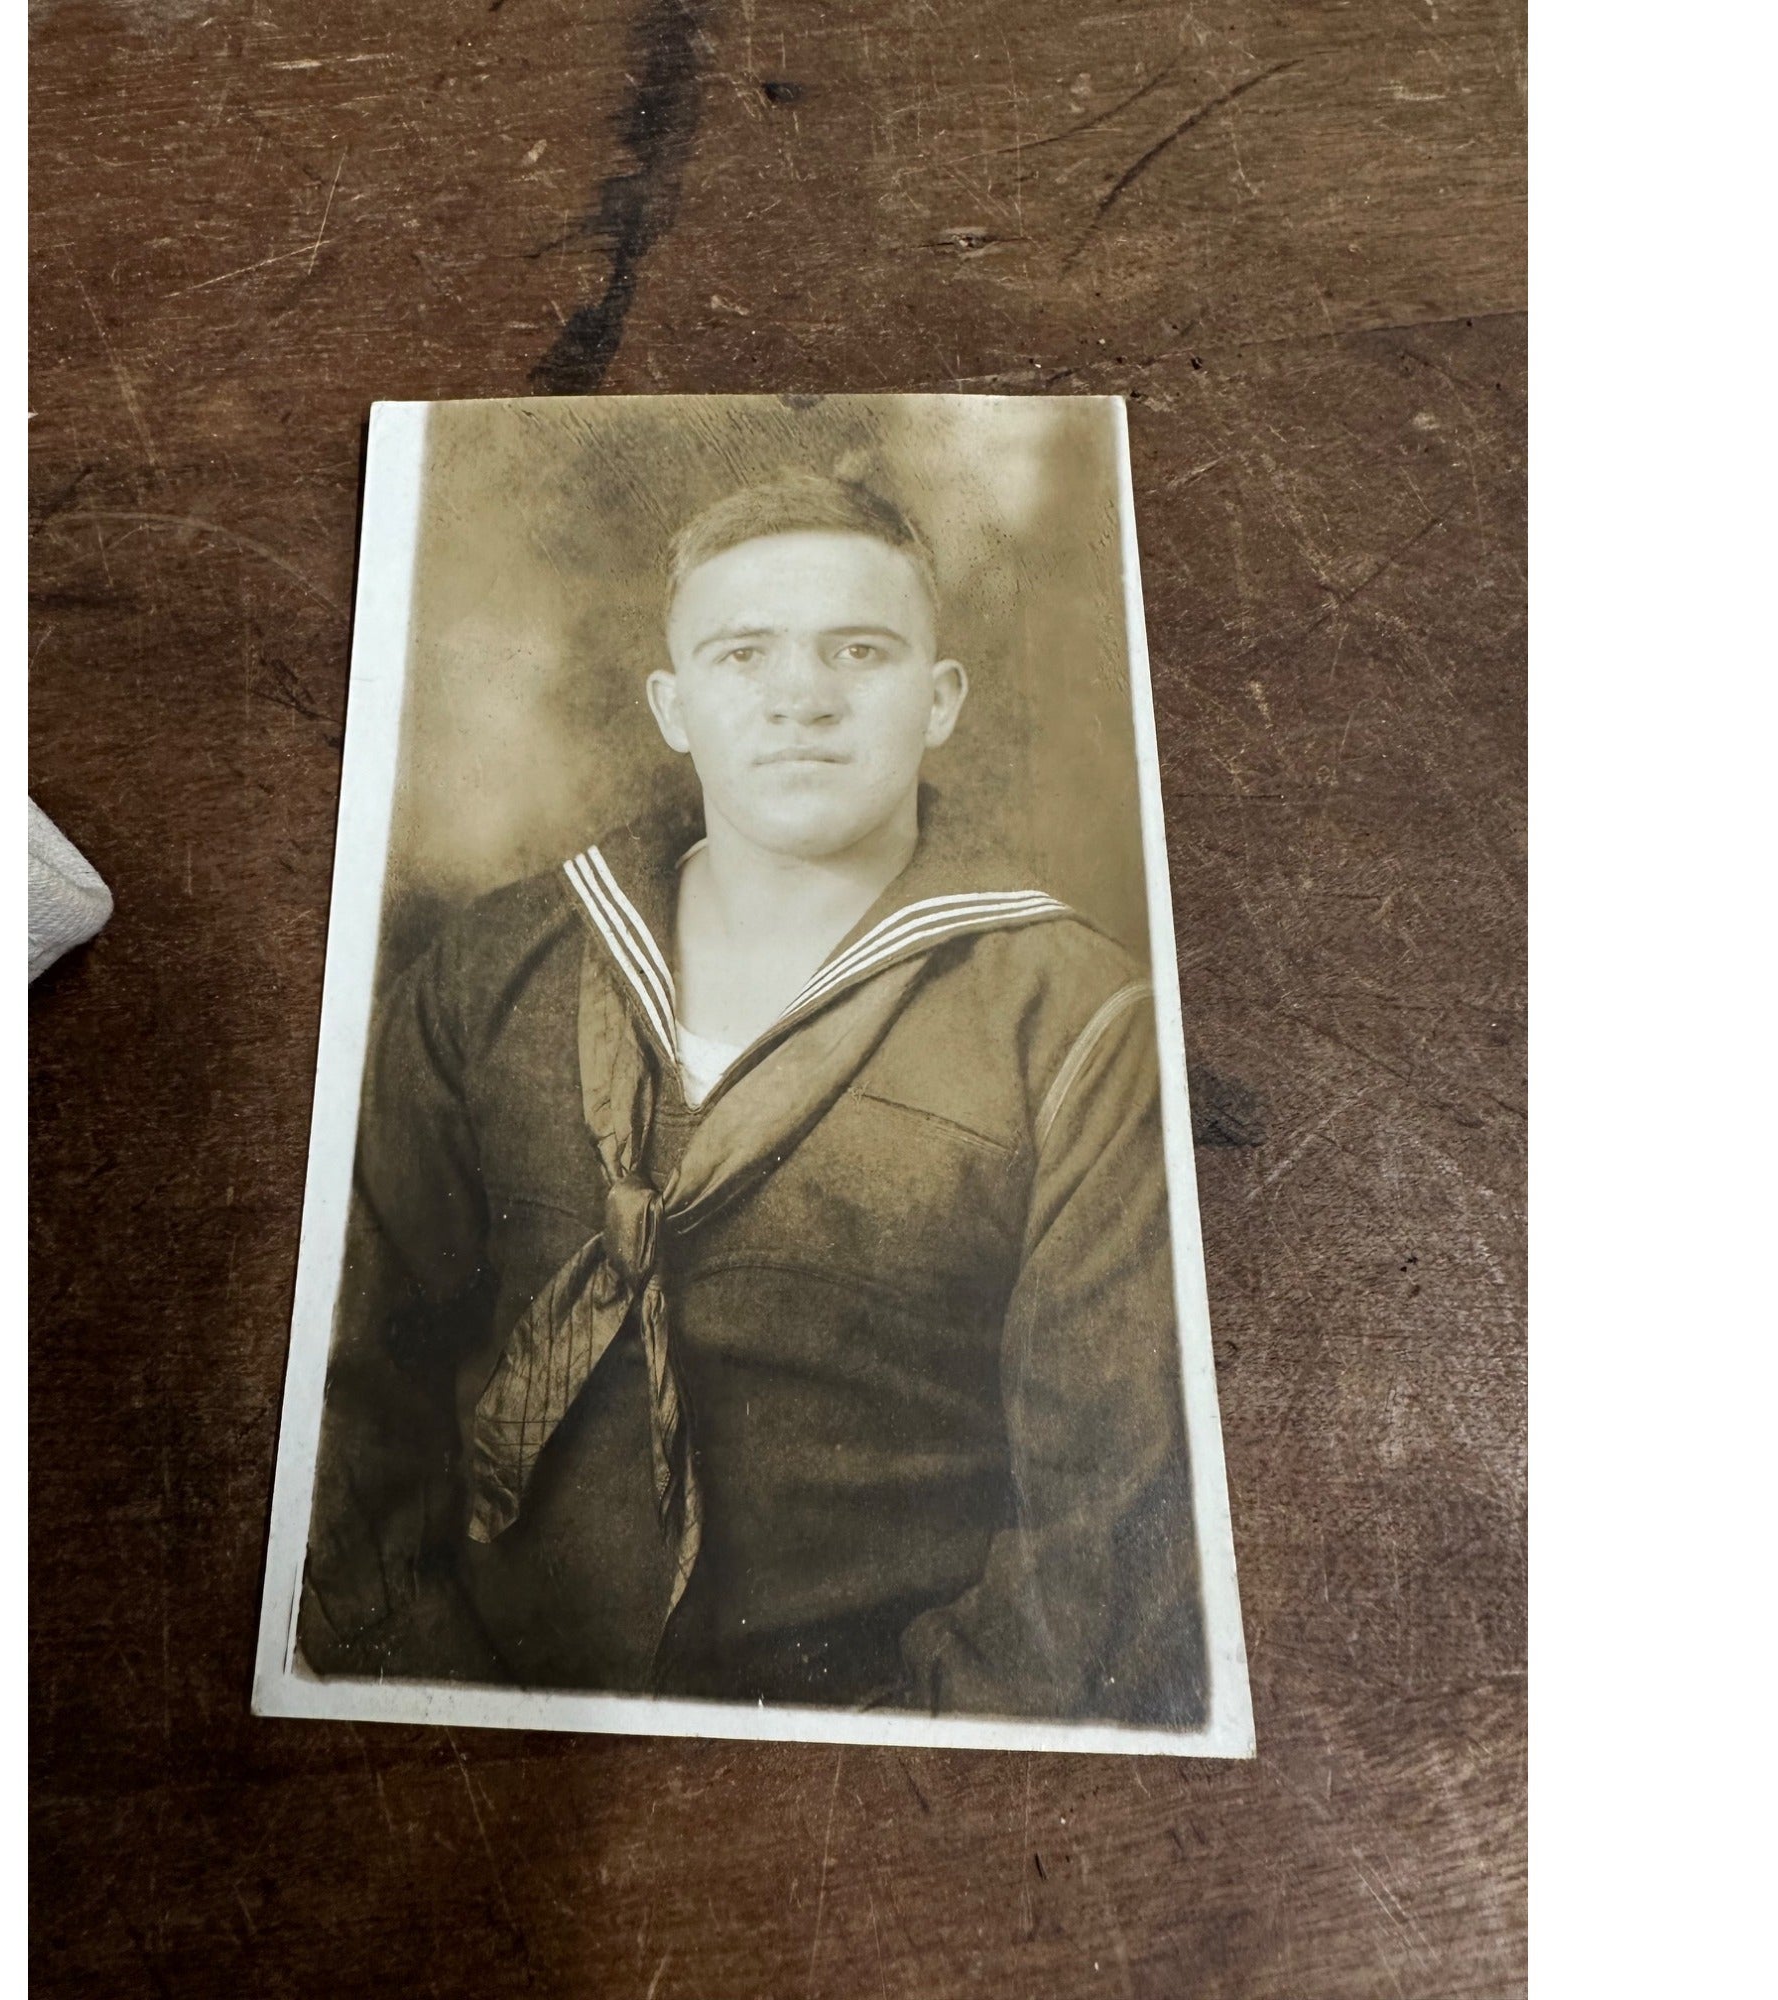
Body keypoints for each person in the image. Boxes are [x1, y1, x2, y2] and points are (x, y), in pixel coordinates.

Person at [299, 472, 1207, 1724]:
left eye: (859, 650)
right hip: (483, 1706)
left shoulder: (1077, 1024)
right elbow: (343, 1396)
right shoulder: (491, 968)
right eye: (743, 654)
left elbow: (1102, 1530)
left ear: (939, 700)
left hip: (879, 1744)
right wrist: (429, 1702)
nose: (801, 696)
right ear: (673, 706)